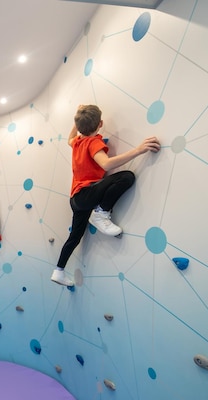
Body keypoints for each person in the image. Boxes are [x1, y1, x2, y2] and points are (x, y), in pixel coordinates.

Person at [50, 105, 160, 286]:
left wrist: (76, 119)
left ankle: (58, 271)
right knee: (126, 176)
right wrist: (139, 150)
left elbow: (69, 138)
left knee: (75, 237)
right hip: (87, 195)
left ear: (78, 127)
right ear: (100, 124)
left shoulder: (77, 142)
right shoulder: (93, 143)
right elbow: (107, 164)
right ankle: (101, 213)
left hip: (76, 200)